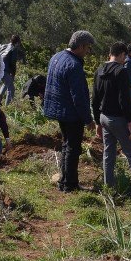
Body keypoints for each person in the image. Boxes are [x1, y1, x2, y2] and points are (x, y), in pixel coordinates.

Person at [43, 30, 95, 192]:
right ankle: (70, 184)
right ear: (80, 46)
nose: (88, 52)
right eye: (87, 48)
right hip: (70, 113)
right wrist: (88, 120)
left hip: (59, 109)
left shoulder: (56, 57)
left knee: (67, 145)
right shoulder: (74, 66)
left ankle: (64, 179)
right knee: (73, 148)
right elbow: (78, 97)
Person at [93, 42, 131, 197]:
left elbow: (95, 99)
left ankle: (108, 190)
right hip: (118, 119)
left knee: (108, 154)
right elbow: (124, 100)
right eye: (125, 57)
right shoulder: (121, 71)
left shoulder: (99, 70)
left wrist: (97, 121)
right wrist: (130, 123)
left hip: (104, 118)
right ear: (122, 54)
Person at [0, 35, 25, 106]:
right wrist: (13, 73)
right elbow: (13, 62)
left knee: (7, 83)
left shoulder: (4, 46)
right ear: (17, 42)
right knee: (11, 88)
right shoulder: (14, 49)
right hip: (5, 70)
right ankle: (8, 106)